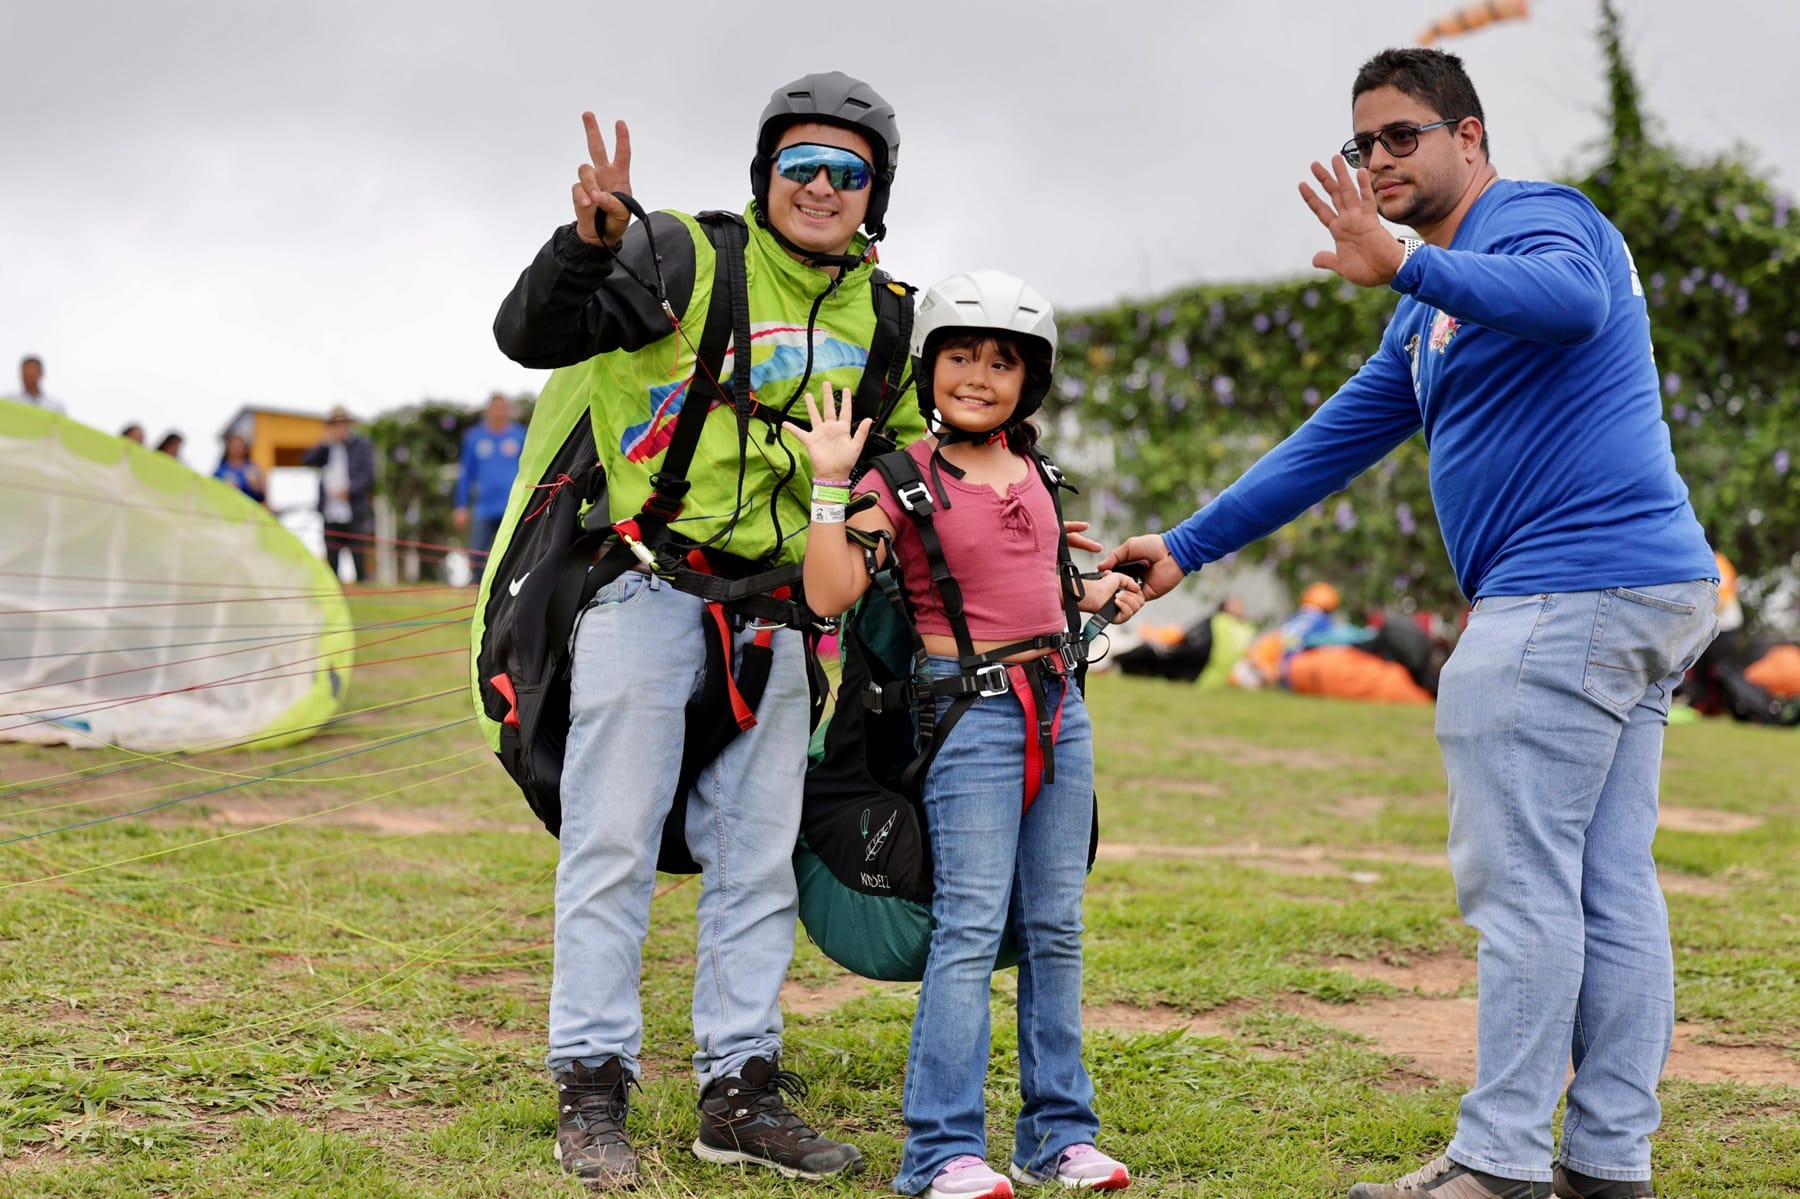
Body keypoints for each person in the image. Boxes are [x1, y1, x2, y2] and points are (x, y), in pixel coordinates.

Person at [1102, 47, 1716, 1199]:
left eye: (1402, 136)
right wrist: (1184, 544)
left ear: (1469, 138)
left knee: (1530, 886)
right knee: (1605, 885)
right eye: (1361, 143)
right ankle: (1606, 1159)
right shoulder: (1429, 306)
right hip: (1630, 592)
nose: (1377, 158)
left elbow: (1574, 303)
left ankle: (1498, 1161)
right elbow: (1333, 438)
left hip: (1567, 592)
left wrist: (1408, 267)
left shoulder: (1540, 220)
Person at [492, 72, 921, 1190]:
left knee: (756, 860)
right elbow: (530, 335)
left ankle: (740, 1089)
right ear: (767, 176)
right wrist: (586, 249)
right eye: (801, 167)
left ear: (874, 194)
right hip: (646, 587)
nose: (822, 187)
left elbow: (907, 461)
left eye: (848, 172)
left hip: (780, 615)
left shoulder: (890, 316)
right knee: (611, 840)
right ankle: (591, 1080)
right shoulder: (687, 256)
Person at [793, 270, 1143, 1199]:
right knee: (970, 928)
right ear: (930, 369)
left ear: (1031, 379)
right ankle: (939, 1150)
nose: (980, 374)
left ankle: (1058, 1135)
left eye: (1002, 360)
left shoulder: (1033, 470)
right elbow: (830, 592)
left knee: (1055, 928)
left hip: (1060, 706)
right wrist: (832, 482)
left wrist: (1095, 592)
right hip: (969, 719)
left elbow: (1038, 588)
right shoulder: (900, 477)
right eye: (960, 356)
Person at [452, 393, 526, 579]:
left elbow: (530, 469)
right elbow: (466, 474)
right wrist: (460, 506)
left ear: (508, 411)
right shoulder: (475, 438)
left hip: (512, 507)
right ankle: (477, 590)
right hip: (483, 508)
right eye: (495, 408)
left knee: (513, 553)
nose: (499, 412)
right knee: (477, 554)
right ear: (488, 411)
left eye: (503, 408)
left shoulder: (519, 435)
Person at [303, 405, 377, 582]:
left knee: (359, 557)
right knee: (332, 559)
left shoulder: (361, 446)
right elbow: (307, 460)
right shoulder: (326, 448)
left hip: (354, 510)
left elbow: (368, 475)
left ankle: (362, 592)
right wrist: (326, 443)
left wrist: (350, 491)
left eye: (343, 423)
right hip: (330, 512)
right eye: (335, 424)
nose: (340, 428)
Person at [214, 432, 268, 504]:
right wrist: (225, 487)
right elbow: (213, 493)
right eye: (234, 446)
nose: (237, 449)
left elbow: (263, 496)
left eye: (239, 446)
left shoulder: (253, 469)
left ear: (245, 448)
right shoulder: (220, 471)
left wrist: (256, 486)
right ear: (228, 448)